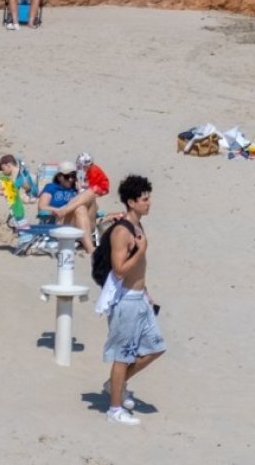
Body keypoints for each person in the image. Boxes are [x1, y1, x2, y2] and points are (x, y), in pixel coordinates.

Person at [101, 175, 163, 426]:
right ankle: (114, 409)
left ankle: (114, 385)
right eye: (144, 199)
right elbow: (119, 269)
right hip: (125, 302)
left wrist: (146, 293)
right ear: (131, 202)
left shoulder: (137, 227)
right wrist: (141, 250)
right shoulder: (122, 232)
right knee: (122, 355)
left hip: (140, 299)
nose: (149, 203)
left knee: (156, 347)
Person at [35, 163, 98, 245]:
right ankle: (90, 248)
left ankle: (64, 210)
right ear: (59, 177)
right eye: (67, 176)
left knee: (90, 193)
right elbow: (42, 207)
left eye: (73, 176)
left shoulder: (76, 189)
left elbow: (95, 208)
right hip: (63, 222)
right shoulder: (51, 187)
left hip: (85, 224)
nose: (71, 179)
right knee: (81, 208)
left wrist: (80, 191)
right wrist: (57, 210)